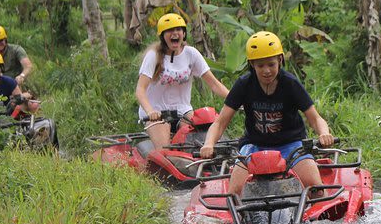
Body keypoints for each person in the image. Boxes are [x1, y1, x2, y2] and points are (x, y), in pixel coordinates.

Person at [200, 31, 335, 197]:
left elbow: (315, 118)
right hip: (255, 146)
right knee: (234, 193)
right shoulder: (244, 84)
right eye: (260, 65)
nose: (266, 71)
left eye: (271, 64)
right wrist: (208, 144)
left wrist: (324, 133)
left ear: (280, 60)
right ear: (252, 64)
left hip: (291, 146)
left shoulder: (290, 83)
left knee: (316, 189)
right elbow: (220, 122)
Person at [135, 13, 229, 150]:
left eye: (178, 29)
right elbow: (140, 89)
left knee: (204, 138)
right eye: (170, 30)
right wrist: (150, 111)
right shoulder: (153, 56)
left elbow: (214, 84)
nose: (175, 33)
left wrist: (237, 99)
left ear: (183, 33)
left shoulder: (191, 54)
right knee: (165, 152)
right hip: (157, 114)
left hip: (183, 111)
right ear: (162, 36)